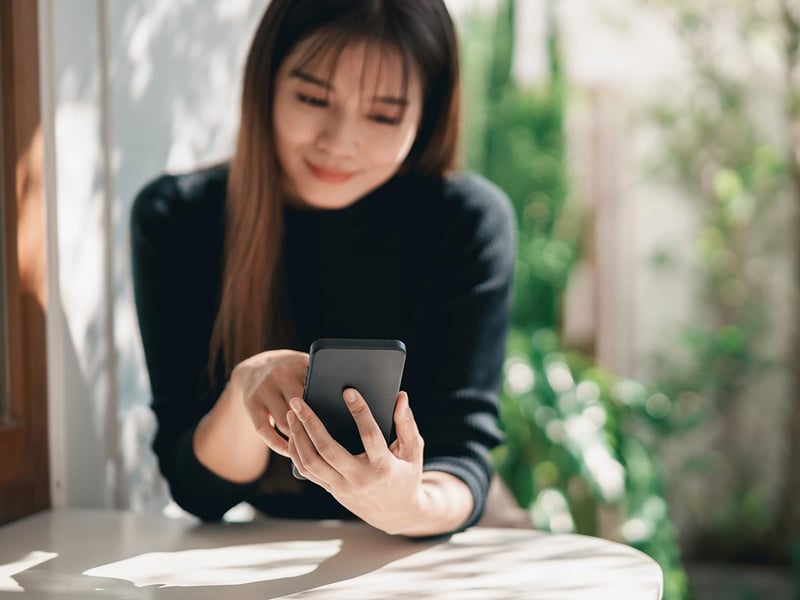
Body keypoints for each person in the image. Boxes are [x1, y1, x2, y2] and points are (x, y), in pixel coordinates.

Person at [131, 0, 516, 538]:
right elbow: (198, 490)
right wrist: (247, 391)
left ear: (426, 115)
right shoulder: (179, 218)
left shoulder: (465, 222)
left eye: (383, 114)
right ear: (265, 83)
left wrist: (408, 507)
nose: (339, 142)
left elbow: (462, 458)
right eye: (313, 98)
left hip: (436, 541)